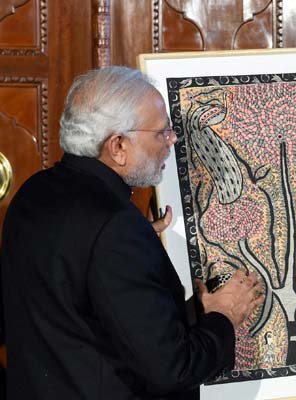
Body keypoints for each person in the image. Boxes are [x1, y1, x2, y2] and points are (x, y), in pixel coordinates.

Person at [0, 66, 264, 399]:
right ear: (118, 146)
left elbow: (75, 299)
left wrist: (132, 251)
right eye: (161, 132)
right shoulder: (115, 228)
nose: (172, 140)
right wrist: (224, 316)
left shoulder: (33, 191)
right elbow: (173, 369)